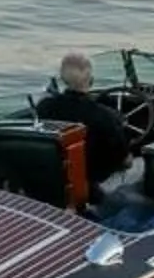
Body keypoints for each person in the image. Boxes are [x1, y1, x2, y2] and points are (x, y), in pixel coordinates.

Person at [38, 51, 139, 196]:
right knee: (140, 167)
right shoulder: (105, 116)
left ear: (62, 79)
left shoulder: (44, 107)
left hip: (55, 178)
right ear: (91, 80)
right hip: (93, 186)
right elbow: (126, 162)